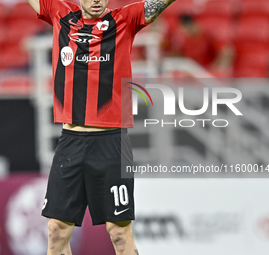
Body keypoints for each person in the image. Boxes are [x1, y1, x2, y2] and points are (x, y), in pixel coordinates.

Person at [26, 0, 177, 254]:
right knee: (56, 231)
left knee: (119, 233)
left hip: (111, 143)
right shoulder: (60, 13)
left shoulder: (125, 19)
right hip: (70, 142)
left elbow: (159, 3)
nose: (96, 0)